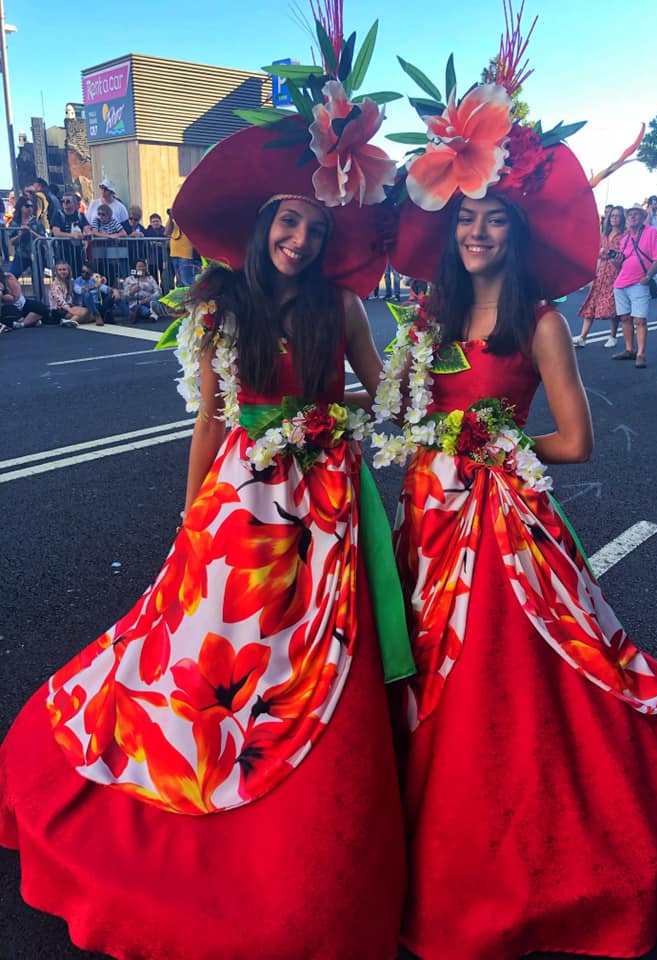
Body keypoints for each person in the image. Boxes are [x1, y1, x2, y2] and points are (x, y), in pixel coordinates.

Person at [0, 49, 411, 958]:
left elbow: (378, 396)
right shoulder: (218, 305)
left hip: (328, 498)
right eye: (287, 224)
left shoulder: (341, 311)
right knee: (216, 643)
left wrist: (347, 405)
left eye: (312, 226)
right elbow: (209, 425)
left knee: (323, 651)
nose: (299, 240)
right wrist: (191, 517)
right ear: (264, 223)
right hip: (240, 494)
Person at [373, 26, 657, 960]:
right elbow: (398, 416)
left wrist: (491, 443)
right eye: (467, 218)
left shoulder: (542, 322)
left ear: (514, 231)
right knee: (409, 677)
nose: (479, 231)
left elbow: (574, 439)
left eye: (494, 219)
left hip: (499, 532)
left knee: (497, 690)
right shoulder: (429, 316)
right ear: (451, 228)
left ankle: (500, 851)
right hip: (425, 525)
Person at [611, 202, 657, 367]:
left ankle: (641, 353)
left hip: (639, 281)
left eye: (636, 214)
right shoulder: (625, 239)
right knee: (625, 317)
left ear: (642, 217)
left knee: (640, 320)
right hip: (621, 282)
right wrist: (616, 262)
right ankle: (629, 349)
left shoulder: (651, 233)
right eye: (630, 214)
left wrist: (648, 277)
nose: (632, 217)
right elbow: (621, 263)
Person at [574, 204, 625, 347]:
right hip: (602, 271)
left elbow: (624, 255)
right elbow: (596, 252)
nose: (614, 219)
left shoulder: (624, 236)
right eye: (612, 216)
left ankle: (613, 336)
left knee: (612, 304)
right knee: (591, 302)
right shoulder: (604, 235)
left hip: (615, 272)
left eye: (617, 216)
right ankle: (583, 336)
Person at [50, 191, 90, 276]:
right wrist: (72, 236)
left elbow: (87, 228)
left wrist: (87, 234)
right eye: (63, 201)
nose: (64, 203)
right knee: (63, 275)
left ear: (74, 203)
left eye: (68, 201)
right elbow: (56, 232)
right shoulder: (58, 215)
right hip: (62, 251)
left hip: (78, 251)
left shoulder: (80, 215)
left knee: (78, 274)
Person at [7, 196, 45, 278]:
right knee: (11, 276)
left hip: (37, 254)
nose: (30, 208)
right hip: (21, 254)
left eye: (31, 206)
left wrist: (31, 232)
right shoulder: (14, 222)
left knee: (38, 280)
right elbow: (11, 241)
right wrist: (19, 235)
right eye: (27, 206)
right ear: (20, 207)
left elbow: (43, 239)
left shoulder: (37, 222)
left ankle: (37, 291)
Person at [47, 261, 89, 327]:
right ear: (56, 272)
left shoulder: (70, 282)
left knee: (90, 315)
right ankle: (71, 320)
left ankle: (71, 320)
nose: (62, 272)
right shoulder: (55, 284)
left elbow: (76, 293)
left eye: (64, 269)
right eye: (60, 270)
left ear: (68, 271)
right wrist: (72, 310)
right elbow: (60, 301)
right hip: (58, 310)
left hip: (68, 307)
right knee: (85, 311)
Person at [73, 260, 115, 325]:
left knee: (113, 295)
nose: (84, 274)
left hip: (97, 304)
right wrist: (94, 286)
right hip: (84, 305)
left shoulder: (94, 279)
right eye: (83, 272)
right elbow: (80, 291)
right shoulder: (77, 281)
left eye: (87, 273)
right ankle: (96, 315)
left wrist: (113, 290)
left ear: (91, 272)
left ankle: (130, 315)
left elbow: (105, 289)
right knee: (87, 294)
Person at [165, 207, 199, 287]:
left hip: (185, 253)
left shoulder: (190, 220)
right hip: (174, 253)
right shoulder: (173, 221)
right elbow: (167, 232)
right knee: (179, 281)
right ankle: (182, 298)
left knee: (186, 280)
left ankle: (193, 297)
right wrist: (170, 217)